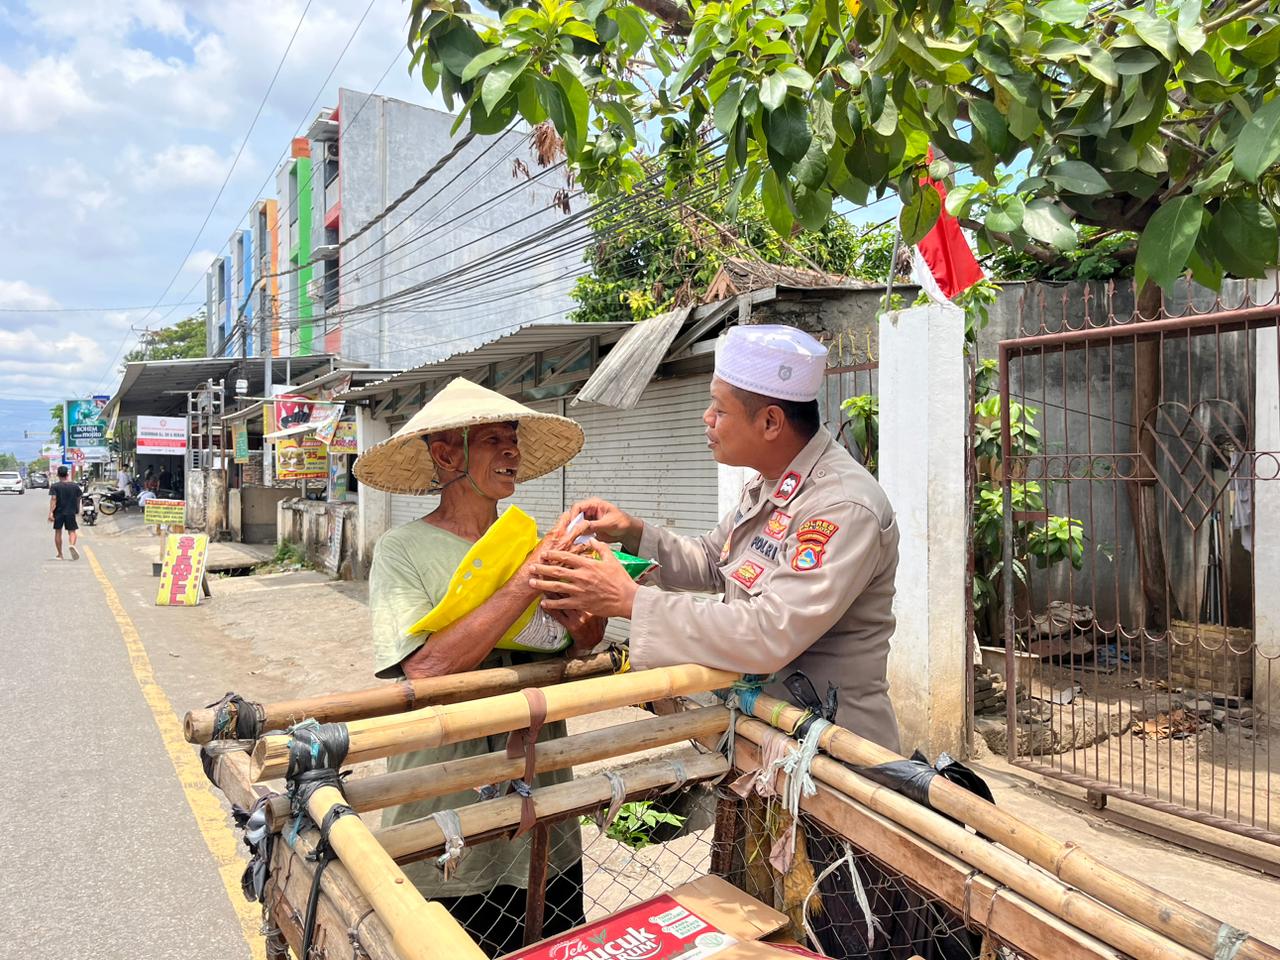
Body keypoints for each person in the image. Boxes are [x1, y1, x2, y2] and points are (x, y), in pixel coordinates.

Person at [532, 324, 902, 752]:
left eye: (719, 409)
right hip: (769, 735)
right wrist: (633, 532)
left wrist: (631, 601)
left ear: (770, 422)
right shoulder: (769, 484)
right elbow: (713, 560)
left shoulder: (841, 506)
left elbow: (769, 634)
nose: (706, 418)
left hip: (833, 752)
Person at [353, 378, 601, 955]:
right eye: (493, 439)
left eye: (513, 439)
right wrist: (526, 580)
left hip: (542, 789)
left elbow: (574, 644)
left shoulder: (531, 542)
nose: (511, 450)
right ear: (446, 456)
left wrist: (588, 620)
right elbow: (426, 668)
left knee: (552, 943)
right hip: (446, 802)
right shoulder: (402, 549)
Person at [48, 465, 82, 561]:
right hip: (70, 512)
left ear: (58, 475)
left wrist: (51, 512)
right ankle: (72, 545)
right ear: (67, 474)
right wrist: (77, 509)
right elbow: (78, 498)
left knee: (58, 532)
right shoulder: (75, 486)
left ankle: (60, 554)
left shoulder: (55, 486)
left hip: (58, 512)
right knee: (72, 531)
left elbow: (54, 499)